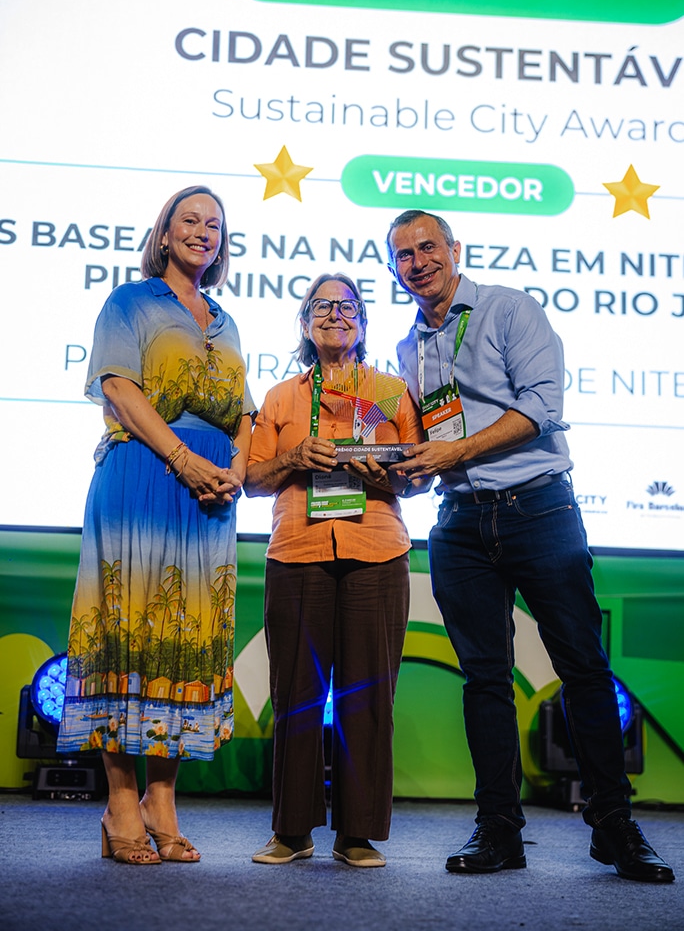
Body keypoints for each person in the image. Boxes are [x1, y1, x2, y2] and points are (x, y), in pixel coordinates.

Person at [385, 209, 674, 883]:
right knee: (484, 680)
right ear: (396, 269)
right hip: (458, 523)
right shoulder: (408, 350)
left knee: (582, 669)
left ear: (456, 250)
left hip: (538, 506)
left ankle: (615, 828)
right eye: (403, 254)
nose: (418, 261)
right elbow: (435, 443)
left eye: (429, 247)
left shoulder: (511, 309)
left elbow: (542, 405)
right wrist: (408, 467)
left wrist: (453, 448)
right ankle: (499, 831)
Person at [57, 186, 254, 865]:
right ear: (164, 235)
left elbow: (244, 413)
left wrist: (239, 468)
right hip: (143, 478)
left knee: (185, 643)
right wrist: (183, 457)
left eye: (215, 226)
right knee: (127, 634)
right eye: (190, 221)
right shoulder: (130, 303)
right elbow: (118, 386)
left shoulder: (225, 320)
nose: (203, 232)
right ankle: (119, 804)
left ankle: (161, 800)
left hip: (208, 503)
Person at [245, 273, 428, 868]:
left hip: (376, 550)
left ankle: (358, 834)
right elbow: (250, 481)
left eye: (348, 307)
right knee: (295, 693)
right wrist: (295, 457)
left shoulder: (393, 392)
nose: (335, 315)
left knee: (369, 696)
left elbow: (421, 475)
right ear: (304, 324)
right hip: (296, 551)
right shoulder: (280, 399)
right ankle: (292, 831)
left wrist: (391, 477)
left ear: (364, 324)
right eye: (321, 306)